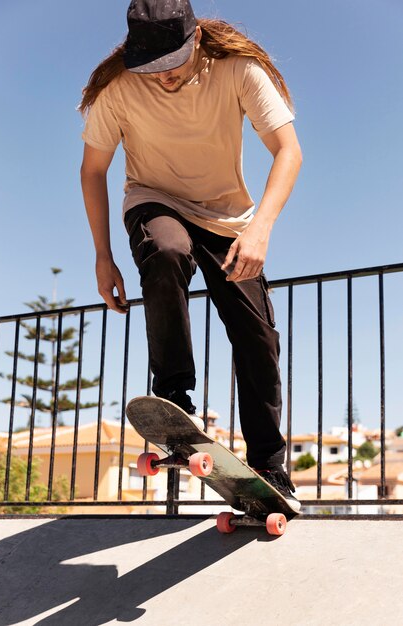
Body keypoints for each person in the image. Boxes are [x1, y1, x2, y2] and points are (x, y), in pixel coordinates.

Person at [79, 0, 302, 510]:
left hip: (228, 218)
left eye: (172, 66)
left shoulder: (240, 72)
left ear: (196, 39)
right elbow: (93, 170)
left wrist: (261, 228)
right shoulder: (118, 89)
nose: (161, 78)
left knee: (258, 335)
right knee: (166, 250)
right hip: (153, 198)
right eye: (150, 68)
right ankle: (174, 400)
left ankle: (269, 463)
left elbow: (288, 150)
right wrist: (102, 256)